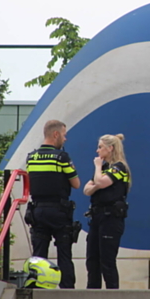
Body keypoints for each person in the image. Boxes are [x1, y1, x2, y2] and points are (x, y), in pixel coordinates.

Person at [25, 120, 80, 289]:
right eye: (64, 135)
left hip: (37, 211)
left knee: (39, 253)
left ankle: (37, 288)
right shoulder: (62, 157)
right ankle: (67, 290)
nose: (65, 139)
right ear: (55, 134)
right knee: (64, 252)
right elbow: (76, 184)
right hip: (59, 211)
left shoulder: (31, 157)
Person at [83, 133, 131, 289]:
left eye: (100, 147)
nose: (97, 151)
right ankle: (92, 291)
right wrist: (98, 183)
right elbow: (86, 190)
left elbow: (99, 182)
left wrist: (97, 170)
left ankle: (112, 295)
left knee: (107, 260)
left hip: (111, 218)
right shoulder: (104, 169)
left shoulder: (119, 167)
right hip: (97, 217)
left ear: (110, 148)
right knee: (92, 258)